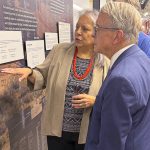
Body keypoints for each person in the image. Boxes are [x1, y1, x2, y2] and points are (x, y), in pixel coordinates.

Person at [1, 10, 109, 150]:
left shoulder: (105, 61)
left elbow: (111, 98)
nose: (78, 32)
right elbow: (42, 75)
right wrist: (30, 72)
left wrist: (95, 100)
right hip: (58, 131)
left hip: (88, 132)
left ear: (96, 33)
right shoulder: (59, 51)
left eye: (85, 29)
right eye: (77, 27)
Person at [85, 2, 150, 150]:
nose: (93, 33)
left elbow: (111, 144)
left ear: (117, 36)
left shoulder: (120, 80)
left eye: (98, 28)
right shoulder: (141, 60)